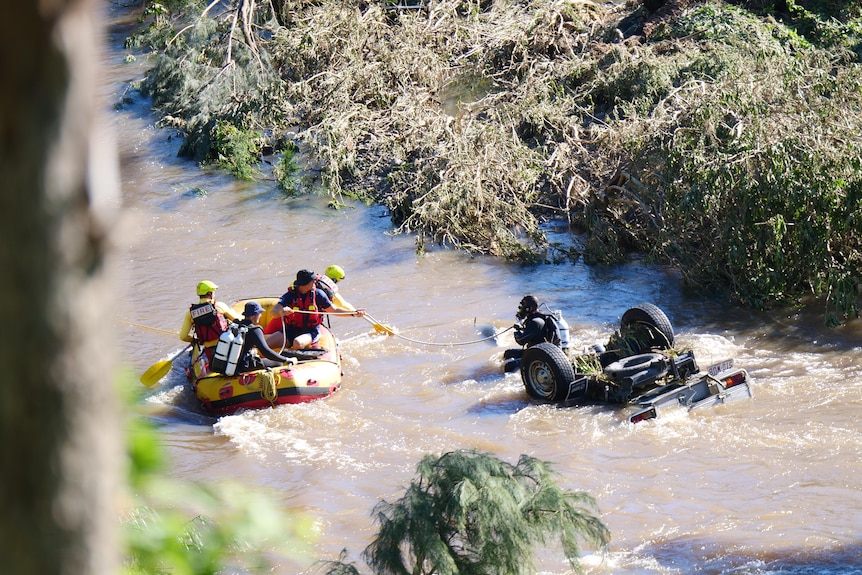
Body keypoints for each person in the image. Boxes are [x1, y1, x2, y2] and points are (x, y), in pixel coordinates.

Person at [264, 269, 366, 350]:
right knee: (265, 345)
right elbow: (274, 312)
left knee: (297, 343)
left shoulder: (318, 294)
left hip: (311, 331)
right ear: (305, 283)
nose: (315, 281)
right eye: (313, 280)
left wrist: (353, 313)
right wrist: (282, 312)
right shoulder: (290, 295)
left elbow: (333, 310)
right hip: (290, 330)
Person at [179, 280, 241, 362]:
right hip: (226, 344)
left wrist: (195, 340)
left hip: (210, 350)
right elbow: (238, 321)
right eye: (213, 292)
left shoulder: (190, 313)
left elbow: (183, 336)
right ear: (209, 294)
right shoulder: (219, 306)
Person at [503, 295, 562, 372]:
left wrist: (517, 330)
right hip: (535, 351)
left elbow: (521, 341)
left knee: (509, 366)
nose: (521, 309)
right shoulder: (536, 318)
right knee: (508, 353)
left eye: (523, 306)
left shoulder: (535, 322)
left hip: (542, 355)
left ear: (530, 308)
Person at [235, 301, 292, 373]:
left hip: (236, 365)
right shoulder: (255, 330)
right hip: (246, 365)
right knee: (278, 363)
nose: (261, 316)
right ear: (254, 316)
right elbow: (266, 352)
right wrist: (285, 359)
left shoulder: (238, 326)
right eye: (259, 313)